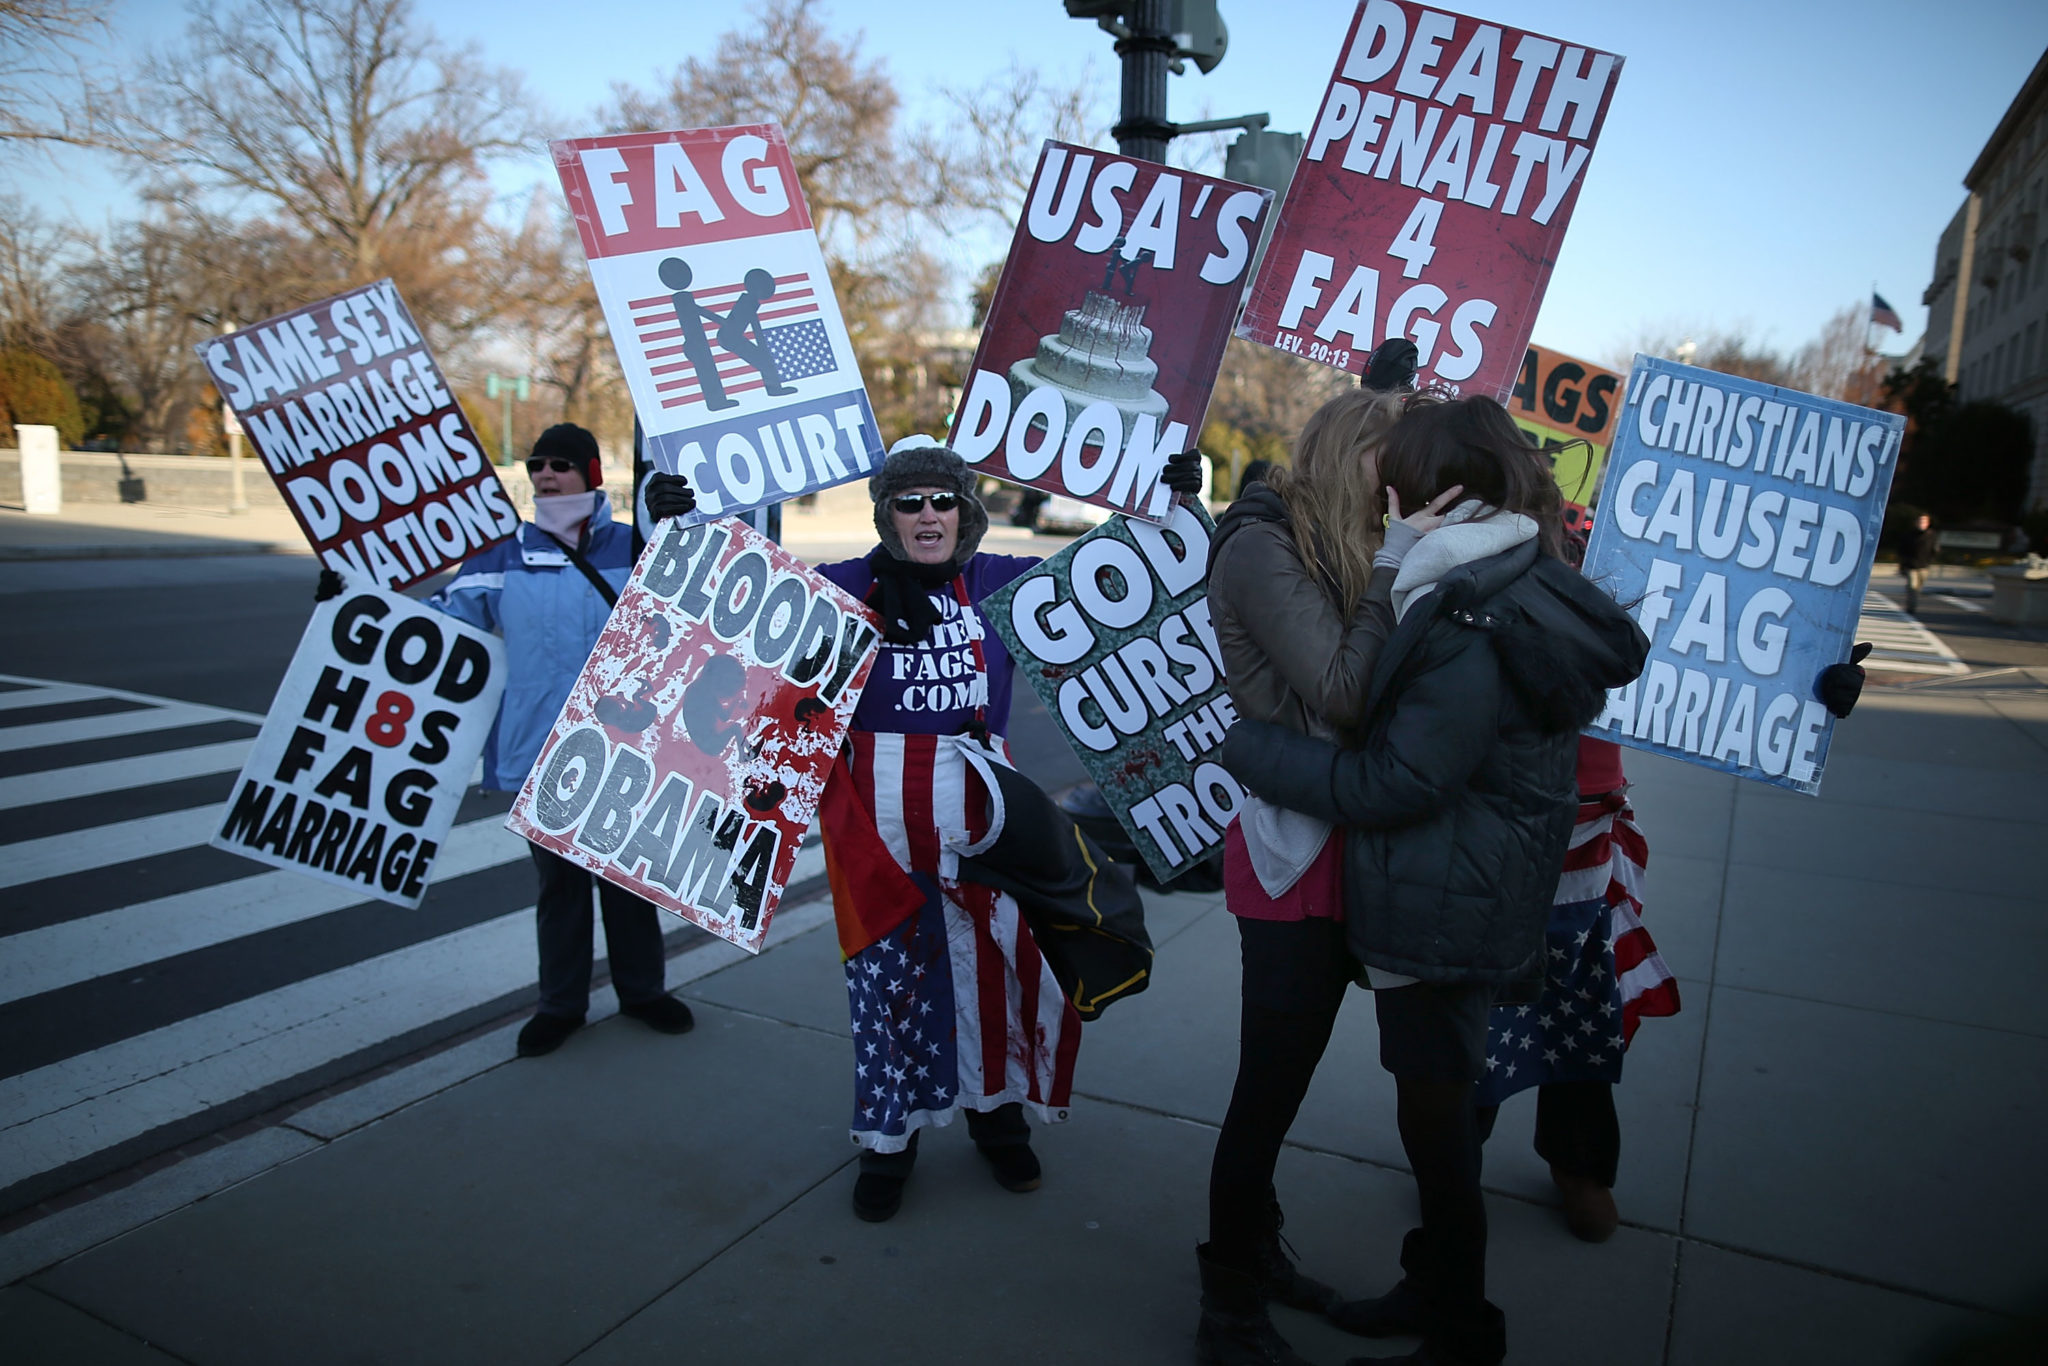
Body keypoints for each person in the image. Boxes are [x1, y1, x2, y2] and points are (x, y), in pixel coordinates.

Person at [643, 438, 1201, 1223]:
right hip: (878, 830)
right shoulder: (845, 587)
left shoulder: (1003, 582)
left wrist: (1168, 502)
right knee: (889, 983)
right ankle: (889, 1140)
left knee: (999, 970)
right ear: (886, 514)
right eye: (910, 502)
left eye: (943, 499)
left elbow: (1113, 575)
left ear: (966, 511)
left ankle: (996, 1118)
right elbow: (734, 604)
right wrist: (681, 527)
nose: (929, 514)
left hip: (987, 822)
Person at [1219, 394, 1649, 1366]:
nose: (1379, 480)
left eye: (1394, 462)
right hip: (1463, 882)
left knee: (1436, 1127)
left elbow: (1398, 775)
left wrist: (1254, 751)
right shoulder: (1503, 568)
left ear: (1432, 485)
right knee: (1436, 1121)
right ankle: (1427, 1294)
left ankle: (1459, 1328)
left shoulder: (1461, 600)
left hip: (1442, 888)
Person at [1195, 366, 1446, 1364]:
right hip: (1292, 852)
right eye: (1397, 473)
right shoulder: (1261, 547)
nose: (1410, 497)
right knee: (1269, 1088)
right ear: (1355, 463)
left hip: (1364, 842)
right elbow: (1343, 694)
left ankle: (1258, 1256)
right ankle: (1226, 1304)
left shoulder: (1348, 545)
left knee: (1409, 1079)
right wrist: (1403, 567)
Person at [429, 424, 696, 1057]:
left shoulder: (635, 542)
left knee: (628, 882)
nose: (546, 474)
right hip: (539, 753)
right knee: (561, 889)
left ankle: (642, 992)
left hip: (625, 747)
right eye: (537, 464)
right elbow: (439, 619)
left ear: (592, 474)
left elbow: (691, 596)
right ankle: (560, 1005)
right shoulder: (503, 554)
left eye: (561, 464)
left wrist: (681, 523)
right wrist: (350, 604)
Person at [1899, 512, 1937, 614]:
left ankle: (1912, 601)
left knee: (1917, 588)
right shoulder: (1909, 535)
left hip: (1924, 566)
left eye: (1924, 521)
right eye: (1920, 521)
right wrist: (1903, 565)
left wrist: (1930, 560)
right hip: (1911, 565)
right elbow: (1902, 550)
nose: (1922, 523)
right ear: (1916, 522)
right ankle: (1911, 607)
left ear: (1928, 523)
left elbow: (1934, 550)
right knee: (1912, 586)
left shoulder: (1931, 535)